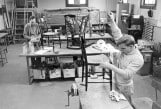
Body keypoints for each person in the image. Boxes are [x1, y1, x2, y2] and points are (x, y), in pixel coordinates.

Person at [99, 12, 144, 108]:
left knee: (126, 105)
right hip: (116, 80)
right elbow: (117, 33)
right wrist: (112, 21)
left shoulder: (138, 59)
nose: (120, 50)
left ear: (131, 46)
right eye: (119, 48)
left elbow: (126, 74)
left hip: (125, 86)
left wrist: (109, 66)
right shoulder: (125, 45)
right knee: (115, 103)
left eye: (123, 49)